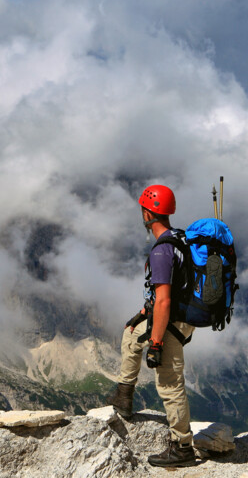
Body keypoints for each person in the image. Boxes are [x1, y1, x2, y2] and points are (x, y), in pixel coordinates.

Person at [105, 184, 196, 467]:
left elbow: (165, 301)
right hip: (177, 315)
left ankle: (182, 447)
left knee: (168, 381)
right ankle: (124, 397)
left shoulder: (161, 251)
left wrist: (156, 344)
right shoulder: (179, 238)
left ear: (147, 213)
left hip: (171, 319)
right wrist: (145, 311)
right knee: (131, 335)